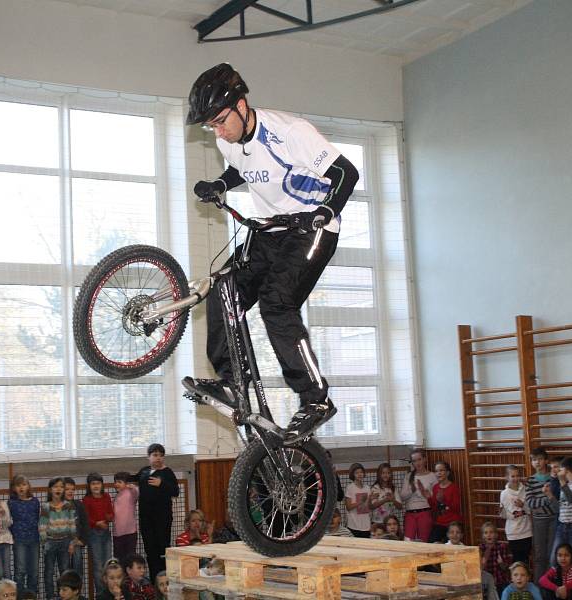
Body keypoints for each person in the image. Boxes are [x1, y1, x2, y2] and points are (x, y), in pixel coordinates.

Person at [182, 63, 359, 444]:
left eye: (220, 120)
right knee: (222, 289)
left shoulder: (291, 133)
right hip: (269, 230)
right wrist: (219, 183)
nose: (217, 130)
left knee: (276, 303)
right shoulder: (226, 139)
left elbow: (347, 173)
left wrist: (325, 211)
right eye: (211, 125)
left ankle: (315, 399)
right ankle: (232, 383)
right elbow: (242, 168)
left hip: (311, 230)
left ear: (241, 104)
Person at [138, 443, 179, 580]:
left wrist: (161, 484)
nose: (158, 458)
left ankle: (163, 579)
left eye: (161, 455)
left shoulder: (167, 472)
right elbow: (134, 479)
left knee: (162, 549)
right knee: (150, 550)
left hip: (162, 519)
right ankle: (154, 580)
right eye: (155, 455)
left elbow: (175, 491)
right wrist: (122, 480)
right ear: (148, 457)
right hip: (146, 519)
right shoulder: (144, 471)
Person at [38, 477, 78, 600]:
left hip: (65, 542)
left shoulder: (68, 506)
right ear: (50, 490)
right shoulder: (45, 506)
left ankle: (64, 597)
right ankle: (50, 597)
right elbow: (42, 526)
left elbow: (72, 524)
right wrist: (45, 542)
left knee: (64, 572)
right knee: (49, 572)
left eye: (61, 486)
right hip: (50, 542)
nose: (58, 489)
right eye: (55, 487)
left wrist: (72, 543)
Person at [525, 447, 558, 584]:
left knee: (552, 554)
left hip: (554, 519)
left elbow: (557, 500)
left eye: (539, 459)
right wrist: (547, 498)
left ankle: (550, 586)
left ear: (546, 461)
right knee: (539, 556)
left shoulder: (553, 478)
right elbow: (531, 503)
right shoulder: (530, 481)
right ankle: (539, 587)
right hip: (538, 521)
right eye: (534, 460)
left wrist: (550, 498)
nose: (537, 462)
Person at [8, 475, 40, 596]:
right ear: (14, 488)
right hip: (19, 540)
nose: (21, 487)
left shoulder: (35, 501)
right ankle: (20, 596)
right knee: (20, 571)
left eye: (24, 484)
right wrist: (15, 532)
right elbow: (8, 520)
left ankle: (32, 596)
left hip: (34, 539)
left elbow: (36, 518)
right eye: (18, 485)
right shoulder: (11, 502)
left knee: (34, 571)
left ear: (28, 486)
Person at [82, 473, 114, 596]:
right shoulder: (87, 499)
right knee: (98, 565)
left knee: (108, 563)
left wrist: (110, 517)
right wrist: (96, 523)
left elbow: (110, 512)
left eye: (98, 483)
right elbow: (86, 518)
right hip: (94, 534)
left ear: (102, 485)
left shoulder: (106, 496)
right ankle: (101, 593)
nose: (95, 486)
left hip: (106, 533)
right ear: (89, 486)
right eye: (93, 483)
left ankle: (109, 591)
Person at [399, 449, 437, 542]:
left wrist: (426, 493)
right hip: (410, 514)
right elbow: (402, 497)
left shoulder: (432, 476)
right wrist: (412, 490)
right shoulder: (409, 476)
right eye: (414, 461)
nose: (417, 463)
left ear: (425, 459)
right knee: (408, 541)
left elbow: (435, 499)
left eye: (419, 459)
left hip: (425, 512)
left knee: (424, 541)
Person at [501, 465, 532, 564]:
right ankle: (515, 579)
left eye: (517, 476)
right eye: (512, 476)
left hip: (526, 531)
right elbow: (504, 515)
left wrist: (523, 505)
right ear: (507, 477)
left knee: (525, 559)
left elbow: (530, 510)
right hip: (513, 533)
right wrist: (503, 512)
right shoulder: (504, 494)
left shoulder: (526, 490)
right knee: (516, 560)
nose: (515, 478)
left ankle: (525, 579)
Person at [428, 461, 462, 543]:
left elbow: (456, 507)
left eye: (441, 470)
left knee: (451, 546)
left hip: (452, 523)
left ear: (447, 473)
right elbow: (435, 507)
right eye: (436, 471)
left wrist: (443, 500)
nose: (439, 473)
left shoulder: (453, 488)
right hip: (440, 523)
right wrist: (429, 498)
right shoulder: (435, 487)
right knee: (432, 543)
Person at [112, 471, 139, 569]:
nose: (116, 484)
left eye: (119, 482)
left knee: (130, 560)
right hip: (117, 534)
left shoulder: (131, 493)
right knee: (119, 560)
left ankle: (129, 581)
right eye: (115, 482)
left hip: (130, 533)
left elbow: (138, 492)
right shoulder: (116, 497)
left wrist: (132, 486)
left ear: (126, 483)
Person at [62, 478, 89, 576]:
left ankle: (78, 590)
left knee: (77, 570)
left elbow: (85, 524)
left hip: (76, 542)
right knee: (64, 571)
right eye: (67, 489)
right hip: (63, 545)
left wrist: (82, 540)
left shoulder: (78, 505)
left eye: (72, 489)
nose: (70, 492)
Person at [480, 521, 512, 594]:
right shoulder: (481, 548)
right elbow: (481, 568)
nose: (489, 535)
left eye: (491, 532)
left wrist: (501, 563)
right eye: (486, 533)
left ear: (496, 535)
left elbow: (506, 568)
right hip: (486, 582)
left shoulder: (501, 547)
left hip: (500, 581)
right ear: (483, 536)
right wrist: (488, 550)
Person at [344, 463, 371, 537]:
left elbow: (369, 506)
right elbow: (348, 507)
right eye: (357, 473)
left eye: (361, 472)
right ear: (353, 474)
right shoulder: (350, 488)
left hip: (366, 525)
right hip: (353, 525)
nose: (360, 474)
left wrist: (372, 498)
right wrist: (360, 502)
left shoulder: (367, 488)